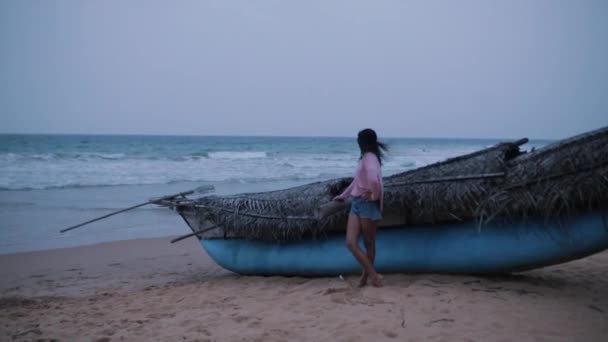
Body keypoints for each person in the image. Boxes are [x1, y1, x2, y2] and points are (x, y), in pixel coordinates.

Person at [333, 128, 387, 287]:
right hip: (356, 203)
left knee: (369, 243)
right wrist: (344, 195)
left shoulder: (370, 158)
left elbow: (374, 180)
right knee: (351, 243)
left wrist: (374, 196)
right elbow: (357, 181)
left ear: (363, 142)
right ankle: (373, 275)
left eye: (358, 140)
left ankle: (368, 278)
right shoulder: (365, 158)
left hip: (367, 204)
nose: (357, 142)